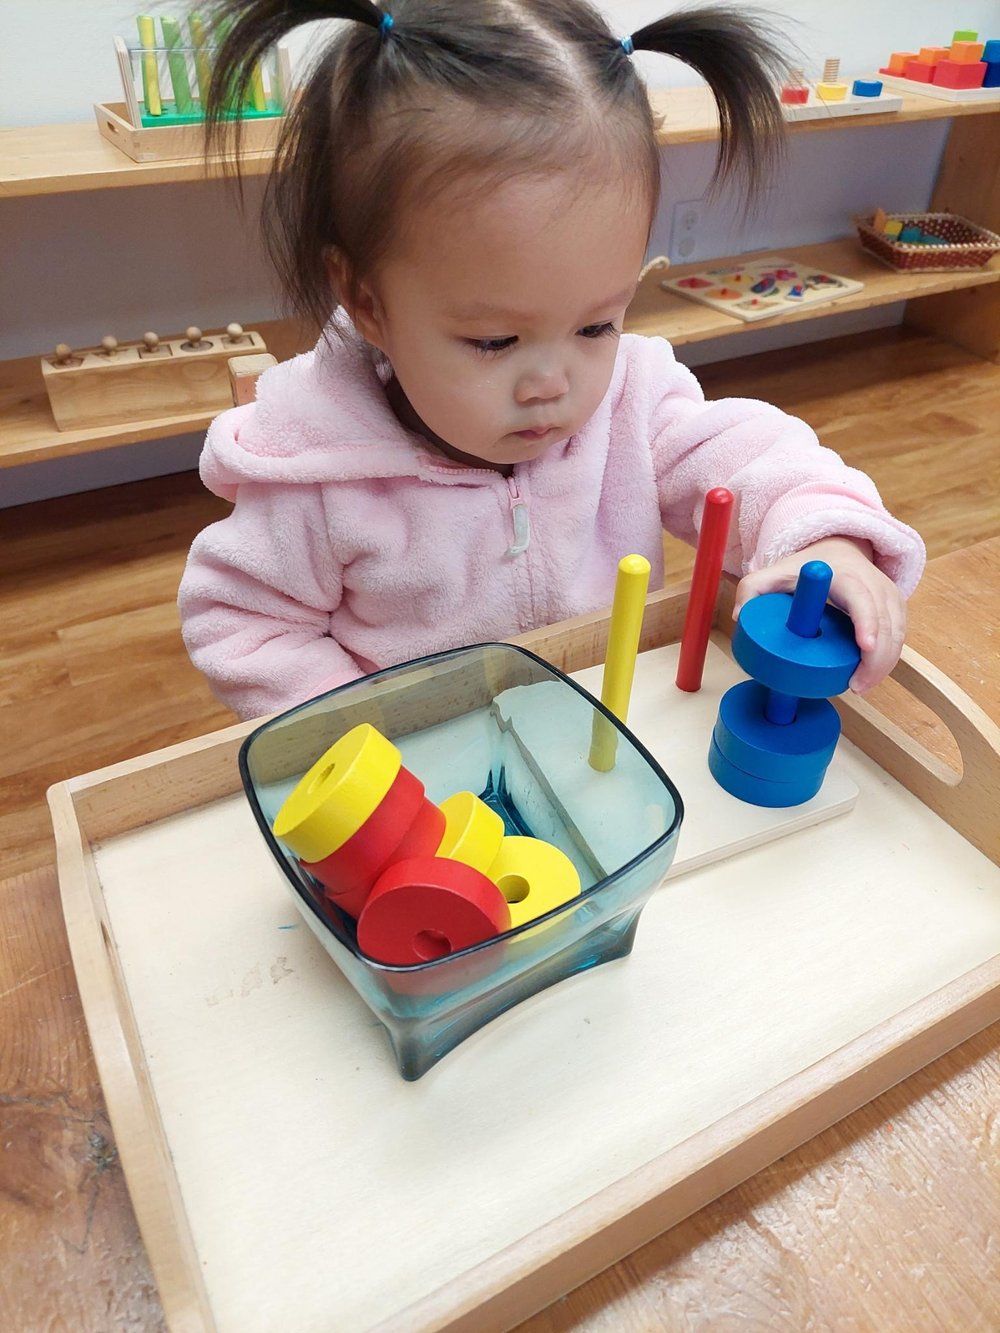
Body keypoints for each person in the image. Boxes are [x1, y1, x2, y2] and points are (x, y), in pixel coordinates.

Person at [179, 0, 924, 721]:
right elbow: (242, 625)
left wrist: (828, 541)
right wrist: (364, 740)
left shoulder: (632, 403)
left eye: (597, 324)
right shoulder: (316, 472)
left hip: (601, 730)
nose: (552, 385)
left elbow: (755, 458)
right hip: (429, 779)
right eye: (496, 341)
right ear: (368, 301)